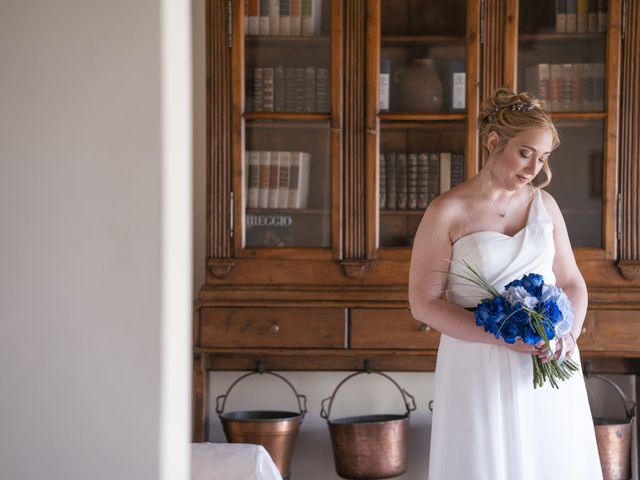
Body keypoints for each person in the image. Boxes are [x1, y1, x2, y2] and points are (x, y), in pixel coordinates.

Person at [408, 87, 602, 479]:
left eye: (543, 157)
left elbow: (571, 282)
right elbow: (424, 303)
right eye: (525, 153)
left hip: (548, 358)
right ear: (494, 142)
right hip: (478, 362)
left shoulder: (545, 206)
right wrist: (502, 337)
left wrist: (567, 334)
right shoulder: (447, 211)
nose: (534, 168)